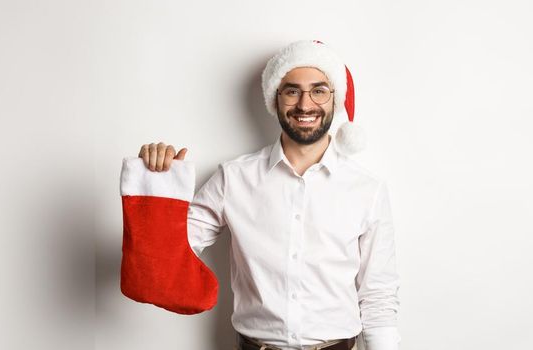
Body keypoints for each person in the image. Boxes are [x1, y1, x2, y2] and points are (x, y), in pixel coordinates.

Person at [138, 40, 400, 350]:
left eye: (319, 90)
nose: (305, 105)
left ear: (335, 100)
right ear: (275, 99)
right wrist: (156, 190)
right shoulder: (232, 178)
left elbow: (378, 296)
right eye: (292, 91)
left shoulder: (366, 189)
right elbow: (166, 260)